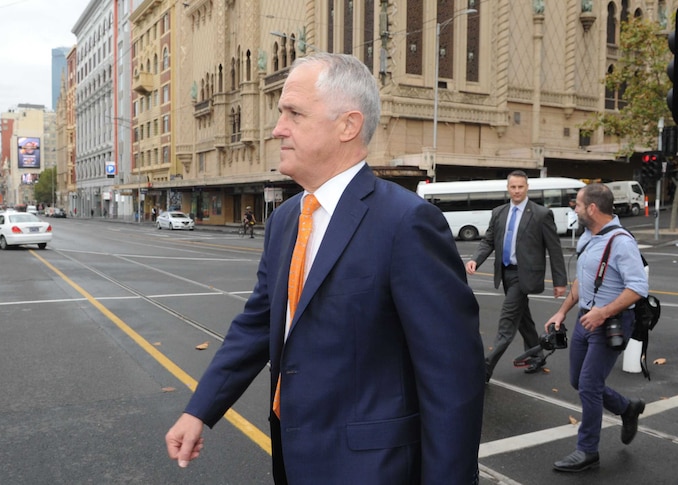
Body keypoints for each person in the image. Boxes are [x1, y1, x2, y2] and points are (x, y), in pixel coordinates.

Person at [165, 53, 484, 484]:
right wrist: (199, 409)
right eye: (281, 113)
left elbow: (452, 379)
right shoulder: (284, 219)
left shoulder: (406, 223)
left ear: (347, 125)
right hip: (295, 461)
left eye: (293, 113)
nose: (278, 128)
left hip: (374, 469)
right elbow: (258, 325)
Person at [545, 183, 647, 473]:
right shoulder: (588, 237)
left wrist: (603, 312)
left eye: (577, 204)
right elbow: (582, 280)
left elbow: (638, 288)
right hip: (584, 318)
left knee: (589, 386)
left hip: (610, 322)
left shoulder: (621, 242)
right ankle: (627, 407)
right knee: (579, 381)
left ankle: (587, 451)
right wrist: (562, 312)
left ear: (592, 208)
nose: (573, 209)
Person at [466, 170, 567, 382]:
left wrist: (560, 282)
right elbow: (488, 241)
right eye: (513, 187)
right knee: (523, 319)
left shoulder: (540, 214)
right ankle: (536, 356)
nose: (517, 190)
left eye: (521, 186)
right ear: (508, 188)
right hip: (506, 274)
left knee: (507, 321)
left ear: (527, 187)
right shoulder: (499, 212)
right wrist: (476, 259)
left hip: (525, 277)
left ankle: (485, 369)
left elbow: (554, 249)